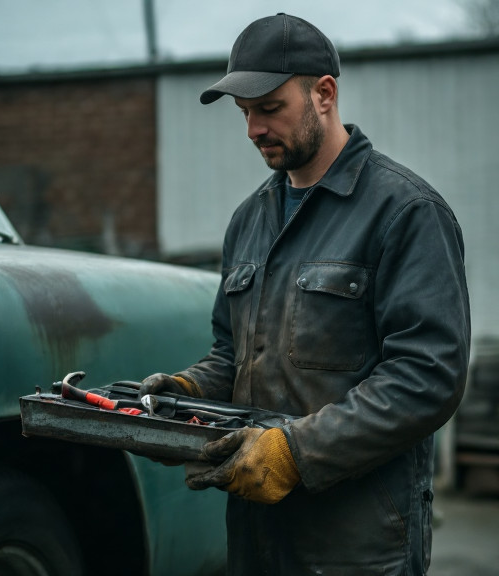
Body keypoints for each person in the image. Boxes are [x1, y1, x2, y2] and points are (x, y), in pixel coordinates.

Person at [140, 13, 471, 576]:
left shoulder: (406, 213)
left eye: (269, 108)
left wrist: (296, 453)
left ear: (324, 94)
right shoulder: (248, 222)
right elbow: (235, 356)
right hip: (256, 537)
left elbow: (427, 376)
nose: (253, 129)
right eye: (245, 114)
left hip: (357, 545)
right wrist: (188, 392)